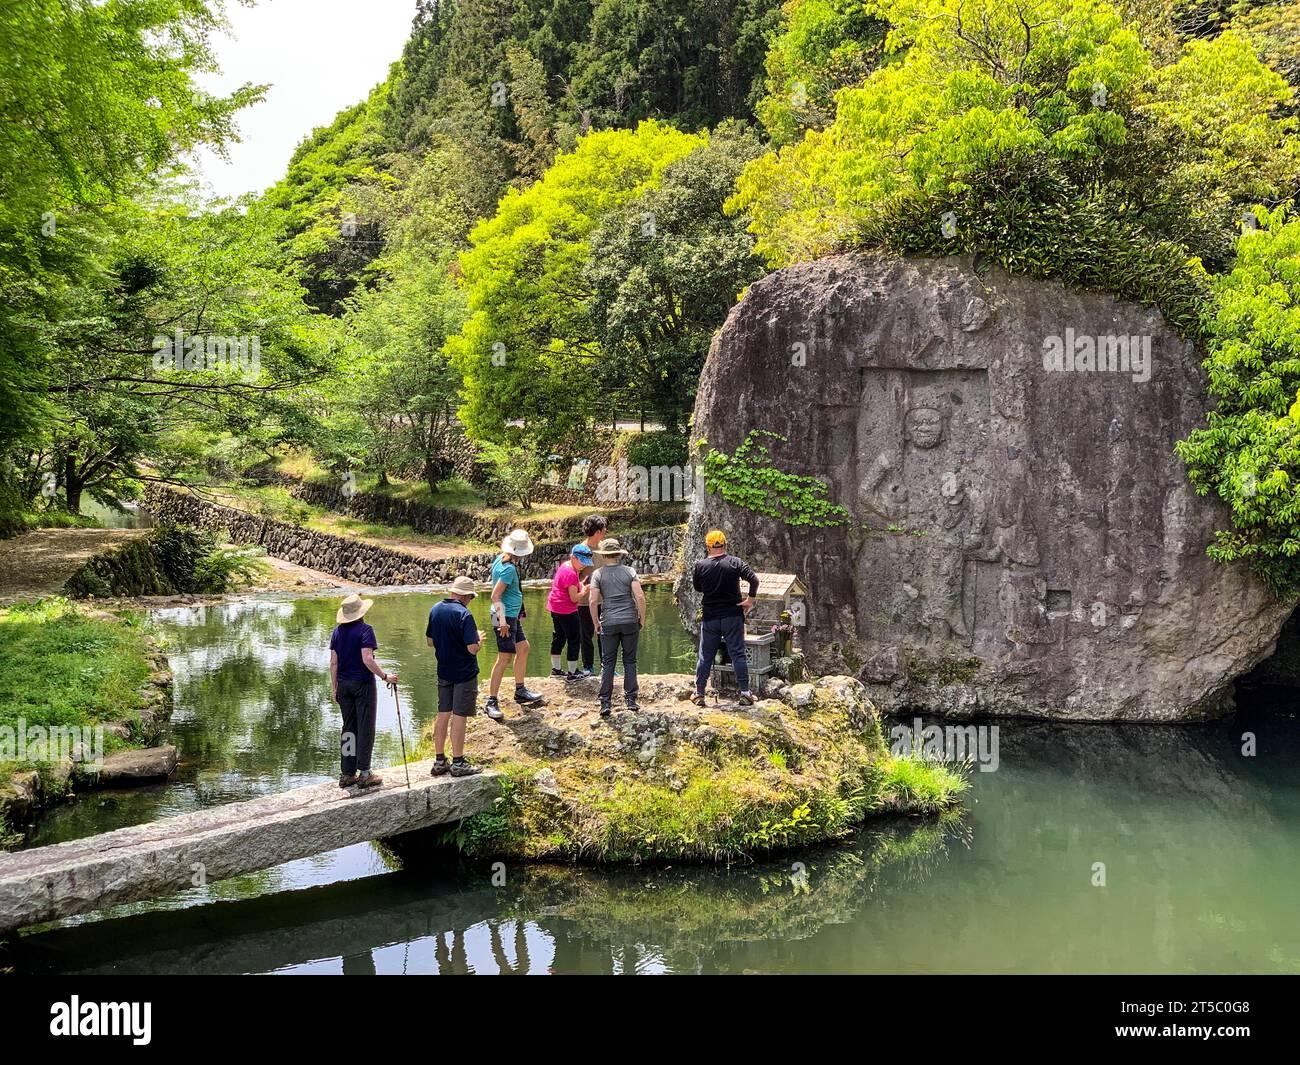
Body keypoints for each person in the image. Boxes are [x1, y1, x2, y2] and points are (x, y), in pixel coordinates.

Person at [329, 593, 398, 789]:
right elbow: (367, 658)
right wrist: (385, 676)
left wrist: (334, 688)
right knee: (365, 727)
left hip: (343, 685)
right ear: (361, 612)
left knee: (348, 728)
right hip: (362, 685)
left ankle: (347, 773)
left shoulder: (337, 632)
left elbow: (333, 663)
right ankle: (365, 773)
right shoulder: (365, 630)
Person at [425, 575, 487, 777]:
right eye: (471, 597)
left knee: (443, 713)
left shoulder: (435, 609)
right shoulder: (464, 615)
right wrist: (479, 639)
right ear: (466, 596)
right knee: (460, 715)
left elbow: (430, 641)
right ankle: (458, 762)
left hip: (443, 670)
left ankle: (439, 759)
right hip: (464, 673)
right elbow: (472, 649)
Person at [692, 529, 759, 706]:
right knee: (738, 654)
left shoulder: (700, 565)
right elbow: (754, 580)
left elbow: (698, 588)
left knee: (705, 655)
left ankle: (699, 694)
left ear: (707, 546)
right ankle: (745, 693)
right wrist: (749, 601)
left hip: (710, 617)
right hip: (732, 616)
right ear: (725, 544)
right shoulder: (736, 563)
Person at [486, 528, 546, 720]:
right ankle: (491, 701)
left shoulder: (500, 559)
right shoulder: (509, 569)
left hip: (510, 615)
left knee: (524, 648)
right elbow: (495, 595)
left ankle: (520, 690)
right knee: (503, 658)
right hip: (504, 617)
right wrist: (503, 622)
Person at [589, 538, 646, 716]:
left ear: (604, 555)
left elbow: (592, 601)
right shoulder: (629, 571)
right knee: (630, 660)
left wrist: (596, 622)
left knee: (608, 662)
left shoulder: (598, 574)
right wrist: (641, 618)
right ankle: (631, 700)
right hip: (630, 619)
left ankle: (605, 703)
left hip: (609, 621)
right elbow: (640, 597)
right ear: (619, 554)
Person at [548, 543, 594, 679]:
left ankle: (556, 669)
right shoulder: (572, 573)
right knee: (574, 639)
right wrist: (585, 591)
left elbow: (565, 587)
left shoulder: (564, 566)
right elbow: (574, 598)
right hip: (567, 611)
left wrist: (579, 585)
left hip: (555, 607)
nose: (584, 565)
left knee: (558, 637)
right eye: (582, 562)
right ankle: (573, 672)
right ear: (573, 557)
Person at [575, 514, 608, 676]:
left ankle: (606, 667)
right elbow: (573, 573)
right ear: (598, 532)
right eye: (604, 530)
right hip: (584, 601)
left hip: (603, 599)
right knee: (586, 635)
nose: (605, 532)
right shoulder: (582, 549)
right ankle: (588, 667)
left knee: (604, 633)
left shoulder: (604, 548)